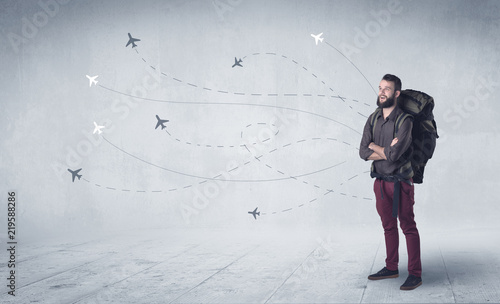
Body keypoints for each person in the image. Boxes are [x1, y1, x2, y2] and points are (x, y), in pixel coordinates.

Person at [359, 74, 422, 291]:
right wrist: (385, 149)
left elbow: (394, 157)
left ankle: (415, 274)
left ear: (396, 94)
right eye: (380, 88)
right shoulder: (373, 118)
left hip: (401, 183)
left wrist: (375, 147)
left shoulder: (405, 121)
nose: (382, 92)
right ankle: (391, 267)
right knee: (388, 226)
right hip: (380, 183)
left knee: (408, 227)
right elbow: (362, 151)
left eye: (387, 89)